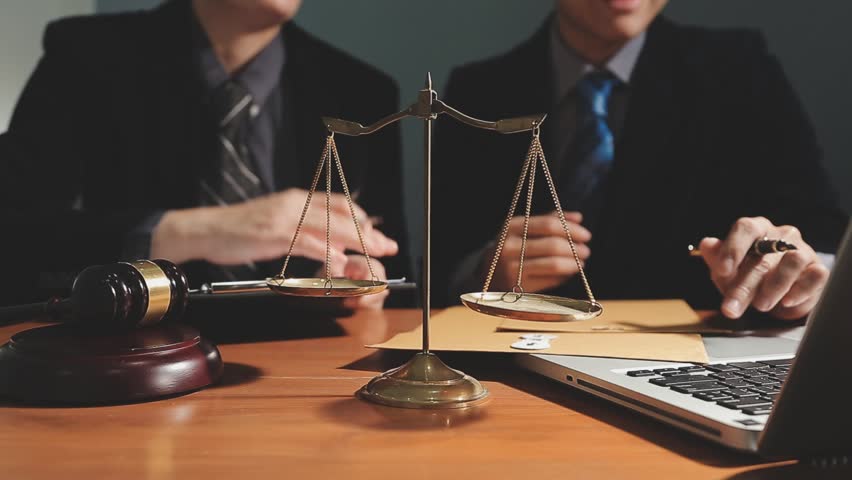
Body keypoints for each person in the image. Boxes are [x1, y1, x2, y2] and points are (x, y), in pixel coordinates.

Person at [433, 0, 849, 320]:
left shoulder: (741, 70)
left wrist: (795, 281)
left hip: (690, 366)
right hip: (517, 376)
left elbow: (824, 244)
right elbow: (437, 275)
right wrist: (485, 275)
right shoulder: (477, 92)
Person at [0, 0, 409, 309]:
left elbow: (396, 270)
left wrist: (353, 278)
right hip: (126, 363)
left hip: (301, 372)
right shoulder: (86, 57)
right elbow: (17, 239)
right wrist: (204, 231)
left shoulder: (362, 91)